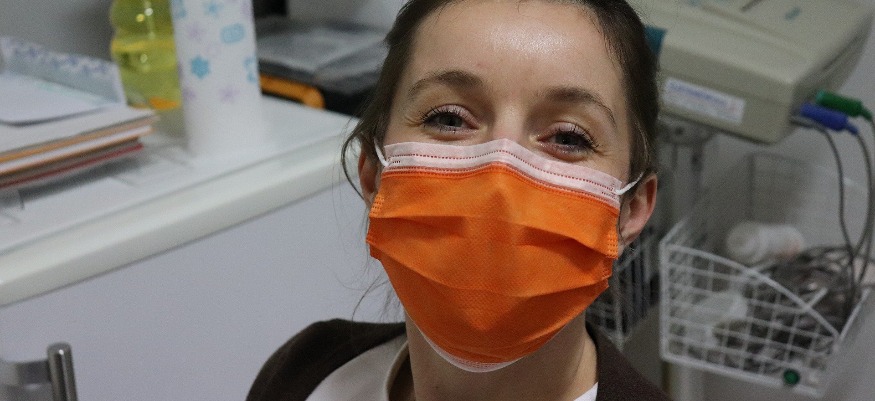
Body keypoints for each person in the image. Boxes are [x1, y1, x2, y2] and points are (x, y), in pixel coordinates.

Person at [247, 0, 668, 399]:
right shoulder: (304, 373)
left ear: (630, 211)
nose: (500, 179)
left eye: (569, 138)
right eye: (448, 118)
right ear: (375, 174)